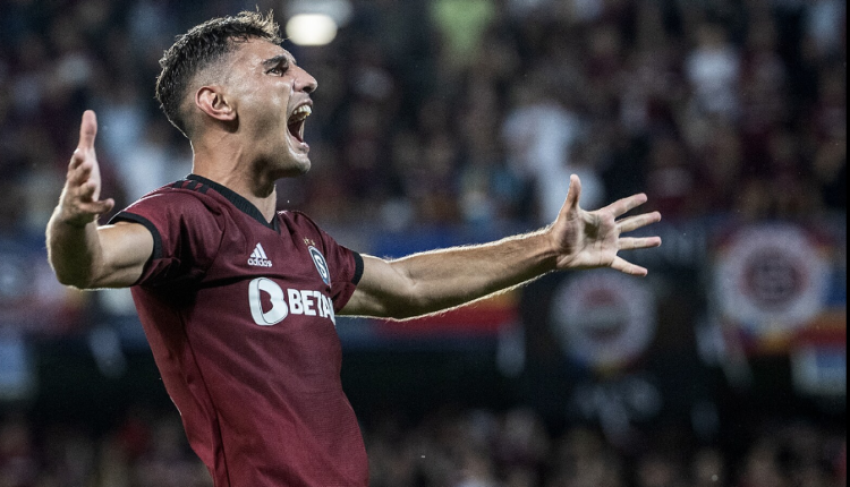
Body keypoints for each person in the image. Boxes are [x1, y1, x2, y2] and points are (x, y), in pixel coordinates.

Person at [45, 11, 661, 487]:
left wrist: (549, 247)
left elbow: (408, 285)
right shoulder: (185, 216)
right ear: (218, 103)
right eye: (277, 69)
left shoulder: (304, 239)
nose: (308, 79)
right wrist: (71, 223)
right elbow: (89, 263)